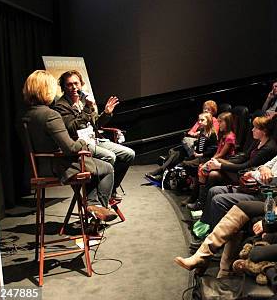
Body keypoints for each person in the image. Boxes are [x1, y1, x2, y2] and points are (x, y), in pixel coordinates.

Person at [175, 138, 277, 277]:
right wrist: (272, 216)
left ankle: (211, 262)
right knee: (240, 208)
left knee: (241, 209)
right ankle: (209, 261)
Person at [22, 70, 117, 221]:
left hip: (40, 167)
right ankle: (93, 206)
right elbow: (70, 148)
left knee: (96, 163)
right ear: (46, 90)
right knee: (107, 168)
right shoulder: (51, 114)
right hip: (58, 166)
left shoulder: (27, 115)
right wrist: (84, 143)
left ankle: (94, 207)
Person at [202, 128, 277, 228]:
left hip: (265, 196)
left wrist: (254, 173)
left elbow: (268, 180)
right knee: (213, 191)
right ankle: (204, 226)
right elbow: (264, 166)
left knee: (218, 200)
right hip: (254, 188)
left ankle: (214, 241)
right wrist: (264, 169)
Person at [54, 70, 134, 200]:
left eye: (76, 83)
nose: (74, 87)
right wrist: (87, 108)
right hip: (80, 144)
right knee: (110, 157)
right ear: (63, 87)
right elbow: (71, 128)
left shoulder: (84, 100)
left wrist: (106, 113)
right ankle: (96, 197)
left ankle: (110, 189)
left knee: (129, 154)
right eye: (69, 84)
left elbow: (96, 124)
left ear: (81, 84)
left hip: (94, 140)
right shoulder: (61, 106)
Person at [145, 100, 219, 180]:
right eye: (205, 108)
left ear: (213, 111)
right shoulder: (201, 121)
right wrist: (196, 134)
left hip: (200, 151)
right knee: (175, 154)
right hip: (193, 146)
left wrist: (197, 136)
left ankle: (163, 176)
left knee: (182, 157)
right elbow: (190, 132)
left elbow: (211, 139)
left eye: (208, 109)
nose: (205, 110)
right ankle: (161, 174)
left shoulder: (213, 122)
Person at [203, 116, 277, 185]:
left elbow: (247, 165)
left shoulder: (269, 148)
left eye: (256, 128)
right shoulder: (258, 140)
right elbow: (244, 158)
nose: (252, 130)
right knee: (214, 171)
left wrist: (220, 166)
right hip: (243, 169)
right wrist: (223, 163)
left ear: (264, 131)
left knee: (213, 170)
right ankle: (201, 196)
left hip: (249, 176)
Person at [187, 112, 237, 211]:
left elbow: (221, 154)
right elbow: (217, 152)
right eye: (217, 121)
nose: (218, 124)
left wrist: (209, 162)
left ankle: (202, 203)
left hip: (225, 164)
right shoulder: (223, 135)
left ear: (227, 123)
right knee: (201, 169)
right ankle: (199, 201)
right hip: (218, 160)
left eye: (220, 122)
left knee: (206, 171)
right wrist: (210, 161)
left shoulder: (230, 137)